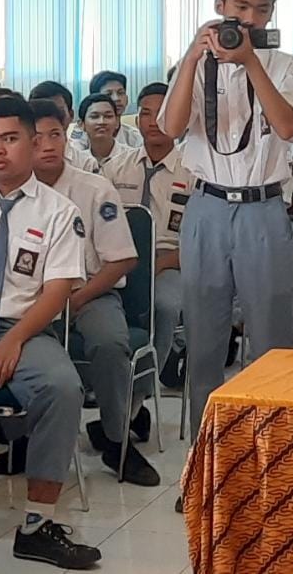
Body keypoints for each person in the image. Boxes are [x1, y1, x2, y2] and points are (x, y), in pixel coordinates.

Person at [159, 0, 293, 476]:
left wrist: (250, 63)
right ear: (218, 7)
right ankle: (204, 465)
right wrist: (189, 59)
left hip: (264, 207)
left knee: (270, 339)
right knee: (204, 339)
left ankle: (272, 460)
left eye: (261, 12)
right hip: (205, 207)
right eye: (239, 9)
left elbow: (287, 128)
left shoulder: (284, 64)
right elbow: (172, 126)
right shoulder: (196, 63)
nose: (248, 21)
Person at [0, 97, 102, 569]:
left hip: (22, 326)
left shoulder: (58, 211)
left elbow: (56, 293)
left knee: (61, 386)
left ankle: (37, 524)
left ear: (34, 144)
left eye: (10, 139)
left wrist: (14, 340)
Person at [30, 99, 160, 487]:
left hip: (88, 291)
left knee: (109, 342)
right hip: (31, 296)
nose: (49, 145)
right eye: (36, 139)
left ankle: (117, 441)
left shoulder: (94, 188)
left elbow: (121, 261)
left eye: (56, 135)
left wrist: (78, 298)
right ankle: (22, 440)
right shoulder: (14, 194)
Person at [102, 83, 194, 389]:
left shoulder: (194, 171)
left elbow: (201, 241)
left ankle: (141, 393)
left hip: (171, 261)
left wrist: (164, 263)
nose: (153, 121)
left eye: (163, 113)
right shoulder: (115, 169)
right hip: (118, 261)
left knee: (163, 305)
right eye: (145, 113)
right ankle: (106, 382)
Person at [28, 80, 101, 173]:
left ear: (71, 115)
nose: (51, 118)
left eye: (58, 112)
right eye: (42, 113)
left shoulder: (86, 164)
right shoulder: (20, 164)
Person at [78, 92, 133, 168]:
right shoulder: (77, 161)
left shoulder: (132, 158)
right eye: (94, 116)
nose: (102, 122)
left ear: (117, 122)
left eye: (108, 116)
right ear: (81, 125)